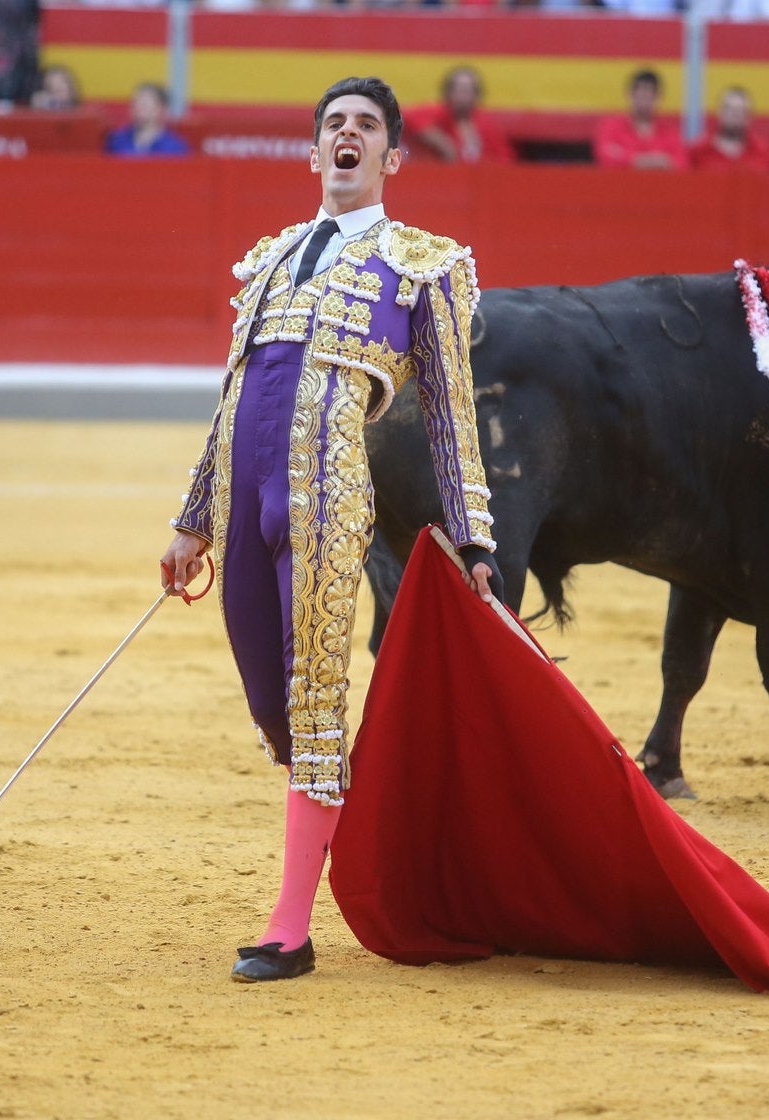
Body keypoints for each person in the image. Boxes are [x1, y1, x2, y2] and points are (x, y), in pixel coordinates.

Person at [160, 75, 501, 983]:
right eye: (334, 126)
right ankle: (365, 842)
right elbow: (232, 394)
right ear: (314, 154)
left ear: (391, 158)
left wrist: (474, 537)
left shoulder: (422, 261)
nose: (347, 137)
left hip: (327, 499)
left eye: (367, 128)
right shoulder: (269, 258)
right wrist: (193, 517)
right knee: (271, 702)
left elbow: (450, 412)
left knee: (315, 700)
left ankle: (290, 929)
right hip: (243, 502)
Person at [407, 65, 516, 163]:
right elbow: (407, 117)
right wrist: (444, 144)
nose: (463, 96)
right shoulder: (440, 113)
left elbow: (505, 159)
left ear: (477, 94)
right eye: (458, 90)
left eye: (468, 90)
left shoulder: (486, 124)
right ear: (448, 92)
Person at [593, 66, 688, 168]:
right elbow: (604, 156)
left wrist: (665, 162)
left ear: (659, 97)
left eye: (649, 94)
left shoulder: (671, 133)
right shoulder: (611, 127)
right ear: (629, 95)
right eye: (640, 93)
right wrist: (639, 160)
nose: (644, 99)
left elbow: (682, 163)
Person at [687, 85, 769, 172]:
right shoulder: (697, 152)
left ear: (749, 116)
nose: (734, 115)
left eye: (741, 110)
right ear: (718, 112)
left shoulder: (767, 152)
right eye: (729, 109)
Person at [104, 82, 190, 156]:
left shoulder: (174, 147)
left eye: (145, 103)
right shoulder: (117, 140)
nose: (139, 108)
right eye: (137, 102)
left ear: (162, 108)